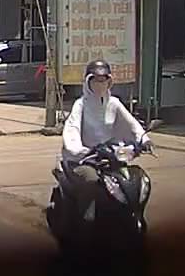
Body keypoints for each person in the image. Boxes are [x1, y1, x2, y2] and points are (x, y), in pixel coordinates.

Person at [60, 59, 152, 220]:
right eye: (96, 80)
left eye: (104, 80)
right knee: (92, 180)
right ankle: (87, 217)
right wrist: (78, 149)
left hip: (110, 155)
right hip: (85, 158)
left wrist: (144, 140)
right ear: (88, 82)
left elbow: (131, 123)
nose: (100, 85)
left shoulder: (114, 103)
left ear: (109, 82)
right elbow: (72, 128)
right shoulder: (81, 105)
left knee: (131, 178)